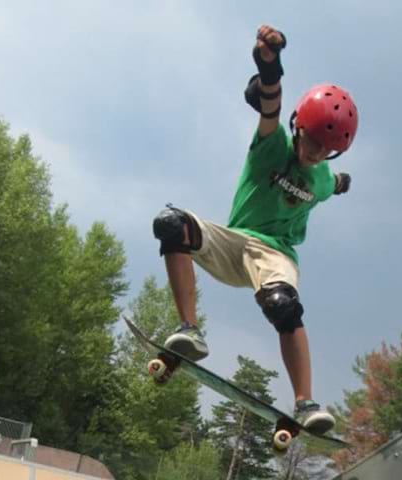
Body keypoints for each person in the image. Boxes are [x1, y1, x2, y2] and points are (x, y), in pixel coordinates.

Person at [152, 24, 358, 435]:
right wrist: (269, 64)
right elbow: (270, 106)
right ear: (299, 126)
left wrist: (342, 181)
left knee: (283, 306)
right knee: (171, 224)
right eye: (310, 140)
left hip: (276, 255)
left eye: (323, 150)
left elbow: (332, 184)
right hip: (234, 243)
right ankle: (189, 330)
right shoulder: (272, 143)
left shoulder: (322, 177)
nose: (312, 152)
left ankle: (305, 403)